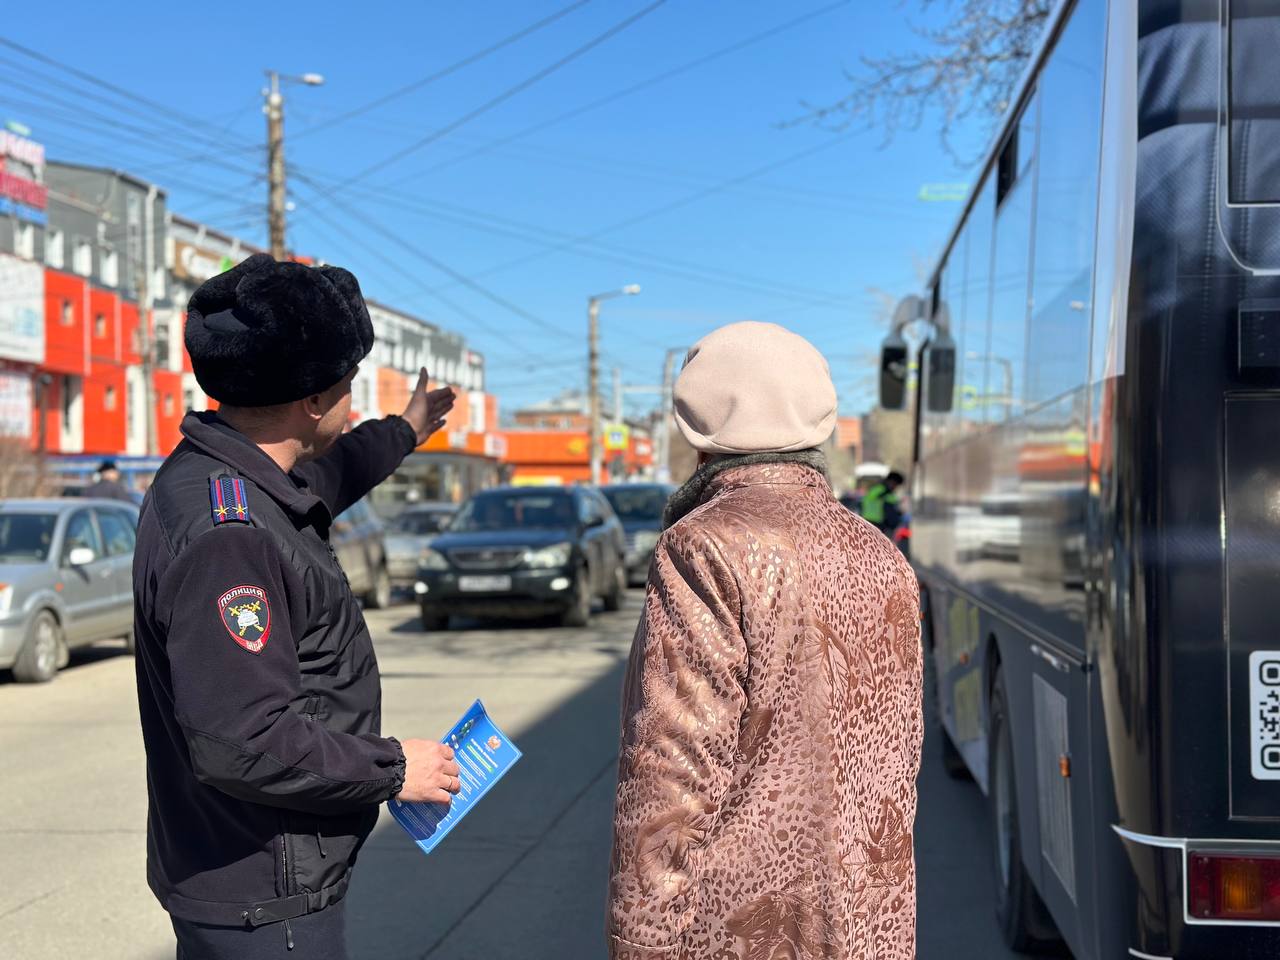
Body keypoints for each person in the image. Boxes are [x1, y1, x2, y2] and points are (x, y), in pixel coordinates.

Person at [133, 254, 463, 960]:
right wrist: (394, 768)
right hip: (264, 896)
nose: (350, 404)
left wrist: (406, 428)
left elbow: (333, 471)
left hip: (251, 877)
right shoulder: (233, 534)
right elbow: (242, 738)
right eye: (348, 387)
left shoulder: (225, 474)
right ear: (314, 400)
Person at [607, 321, 922, 960]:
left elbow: (671, 777)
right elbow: (898, 764)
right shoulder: (882, 557)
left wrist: (641, 946)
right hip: (872, 928)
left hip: (743, 930)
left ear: (699, 430)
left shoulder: (703, 547)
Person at [860, 469, 905, 537]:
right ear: (890, 481)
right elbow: (887, 500)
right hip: (871, 522)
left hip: (878, 523)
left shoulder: (885, 492)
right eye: (895, 484)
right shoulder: (880, 490)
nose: (894, 487)